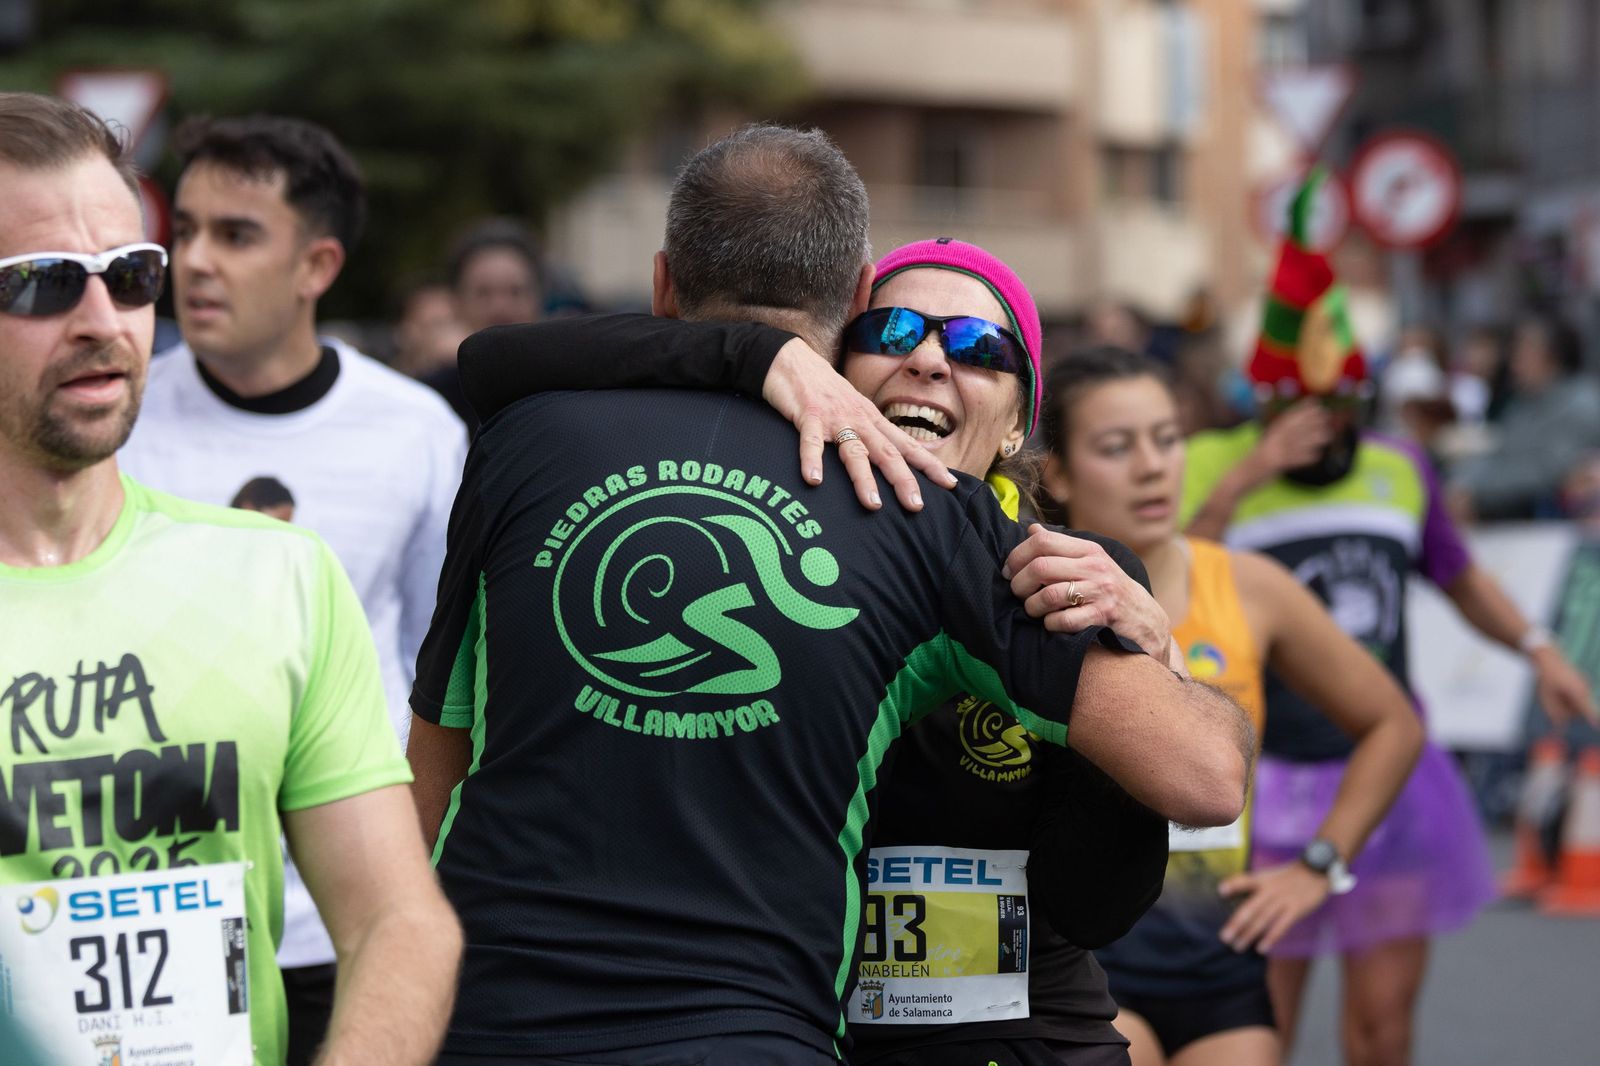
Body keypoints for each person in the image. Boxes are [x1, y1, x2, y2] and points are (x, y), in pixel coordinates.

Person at [407, 125, 1252, 1066]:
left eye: (977, 345)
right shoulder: (897, 517)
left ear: (1020, 417)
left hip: (1001, 1040)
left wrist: (1160, 655)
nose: (930, 360)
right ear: (841, 340)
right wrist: (748, 354)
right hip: (795, 1033)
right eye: (893, 331)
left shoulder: (1022, 559)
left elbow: (1176, 808)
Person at [0, 91, 459, 1066]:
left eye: (130, 275)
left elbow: (401, 924)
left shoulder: (282, 576)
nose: (101, 320)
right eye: (41, 283)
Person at [1181, 178, 1596, 1066]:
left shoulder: (1401, 469)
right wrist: (1241, 483)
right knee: (1257, 1032)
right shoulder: (1209, 463)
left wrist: (1539, 649)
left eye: (1334, 408)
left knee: (1381, 1032)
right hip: (1258, 783)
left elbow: (1459, 577)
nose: (1316, 427)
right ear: (1263, 400)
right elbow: (1174, 585)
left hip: (1384, 778)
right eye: (1295, 405)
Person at [1031, 347, 1422, 1066]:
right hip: (1082, 964)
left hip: (1221, 967)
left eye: (1167, 437)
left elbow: (1392, 724)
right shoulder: (1023, 593)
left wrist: (1319, 865)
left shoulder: (1249, 586)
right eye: (1117, 446)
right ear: (1055, 469)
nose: (1153, 466)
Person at [1448, 314, 1600, 521]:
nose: (1514, 360)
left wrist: (1479, 494)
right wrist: (1463, 484)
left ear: (1551, 355)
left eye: (1524, 350)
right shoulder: (1523, 402)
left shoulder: (1580, 403)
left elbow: (1550, 472)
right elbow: (1500, 452)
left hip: (1549, 524)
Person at [419, 218, 543, 428]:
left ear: (539, 297)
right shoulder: (429, 399)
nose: (501, 307)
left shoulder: (563, 391)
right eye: (483, 293)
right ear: (455, 301)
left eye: (515, 291)